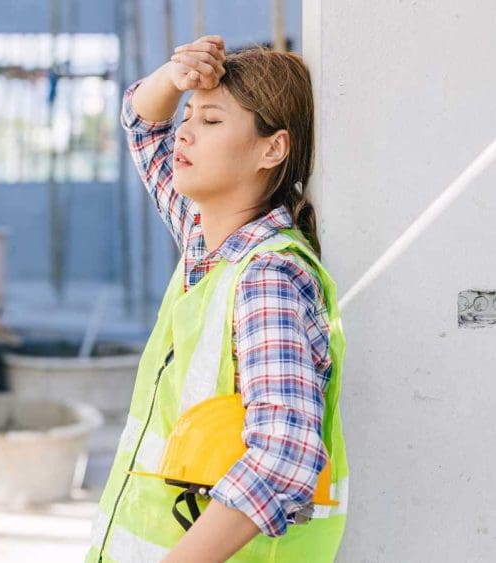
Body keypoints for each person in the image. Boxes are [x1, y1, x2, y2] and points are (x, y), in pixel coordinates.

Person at [86, 35, 349, 562]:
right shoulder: (206, 239)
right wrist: (175, 74)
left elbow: (284, 455)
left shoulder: (268, 277)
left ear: (272, 149)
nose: (184, 132)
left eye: (210, 122)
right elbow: (143, 126)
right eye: (188, 117)